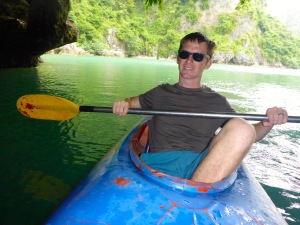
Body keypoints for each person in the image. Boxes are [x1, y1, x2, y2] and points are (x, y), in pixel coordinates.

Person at [112, 32, 288, 183]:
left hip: (203, 167)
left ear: (208, 63)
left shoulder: (217, 101)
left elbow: (248, 135)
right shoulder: (160, 93)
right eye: (184, 54)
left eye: (197, 57)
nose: (189, 61)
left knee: (242, 127)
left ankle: (194, 191)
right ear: (177, 58)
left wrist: (268, 122)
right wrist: (124, 104)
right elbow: (131, 102)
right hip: (160, 164)